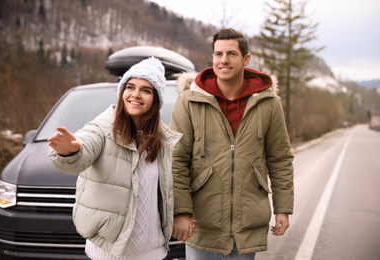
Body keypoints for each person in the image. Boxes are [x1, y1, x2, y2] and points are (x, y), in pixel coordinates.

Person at [170, 28, 294, 259]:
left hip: (247, 226)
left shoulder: (269, 103)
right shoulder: (189, 101)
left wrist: (283, 209)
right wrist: (182, 211)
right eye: (218, 54)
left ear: (246, 59)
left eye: (231, 54)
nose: (223, 60)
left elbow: (280, 159)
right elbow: (177, 159)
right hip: (201, 224)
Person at [48, 57, 184, 260]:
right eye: (130, 87)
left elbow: (174, 186)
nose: (136, 94)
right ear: (122, 92)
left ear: (156, 99)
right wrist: (70, 151)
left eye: (146, 90)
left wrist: (183, 213)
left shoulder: (164, 139)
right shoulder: (102, 128)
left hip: (154, 253)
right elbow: (83, 151)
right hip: (108, 255)